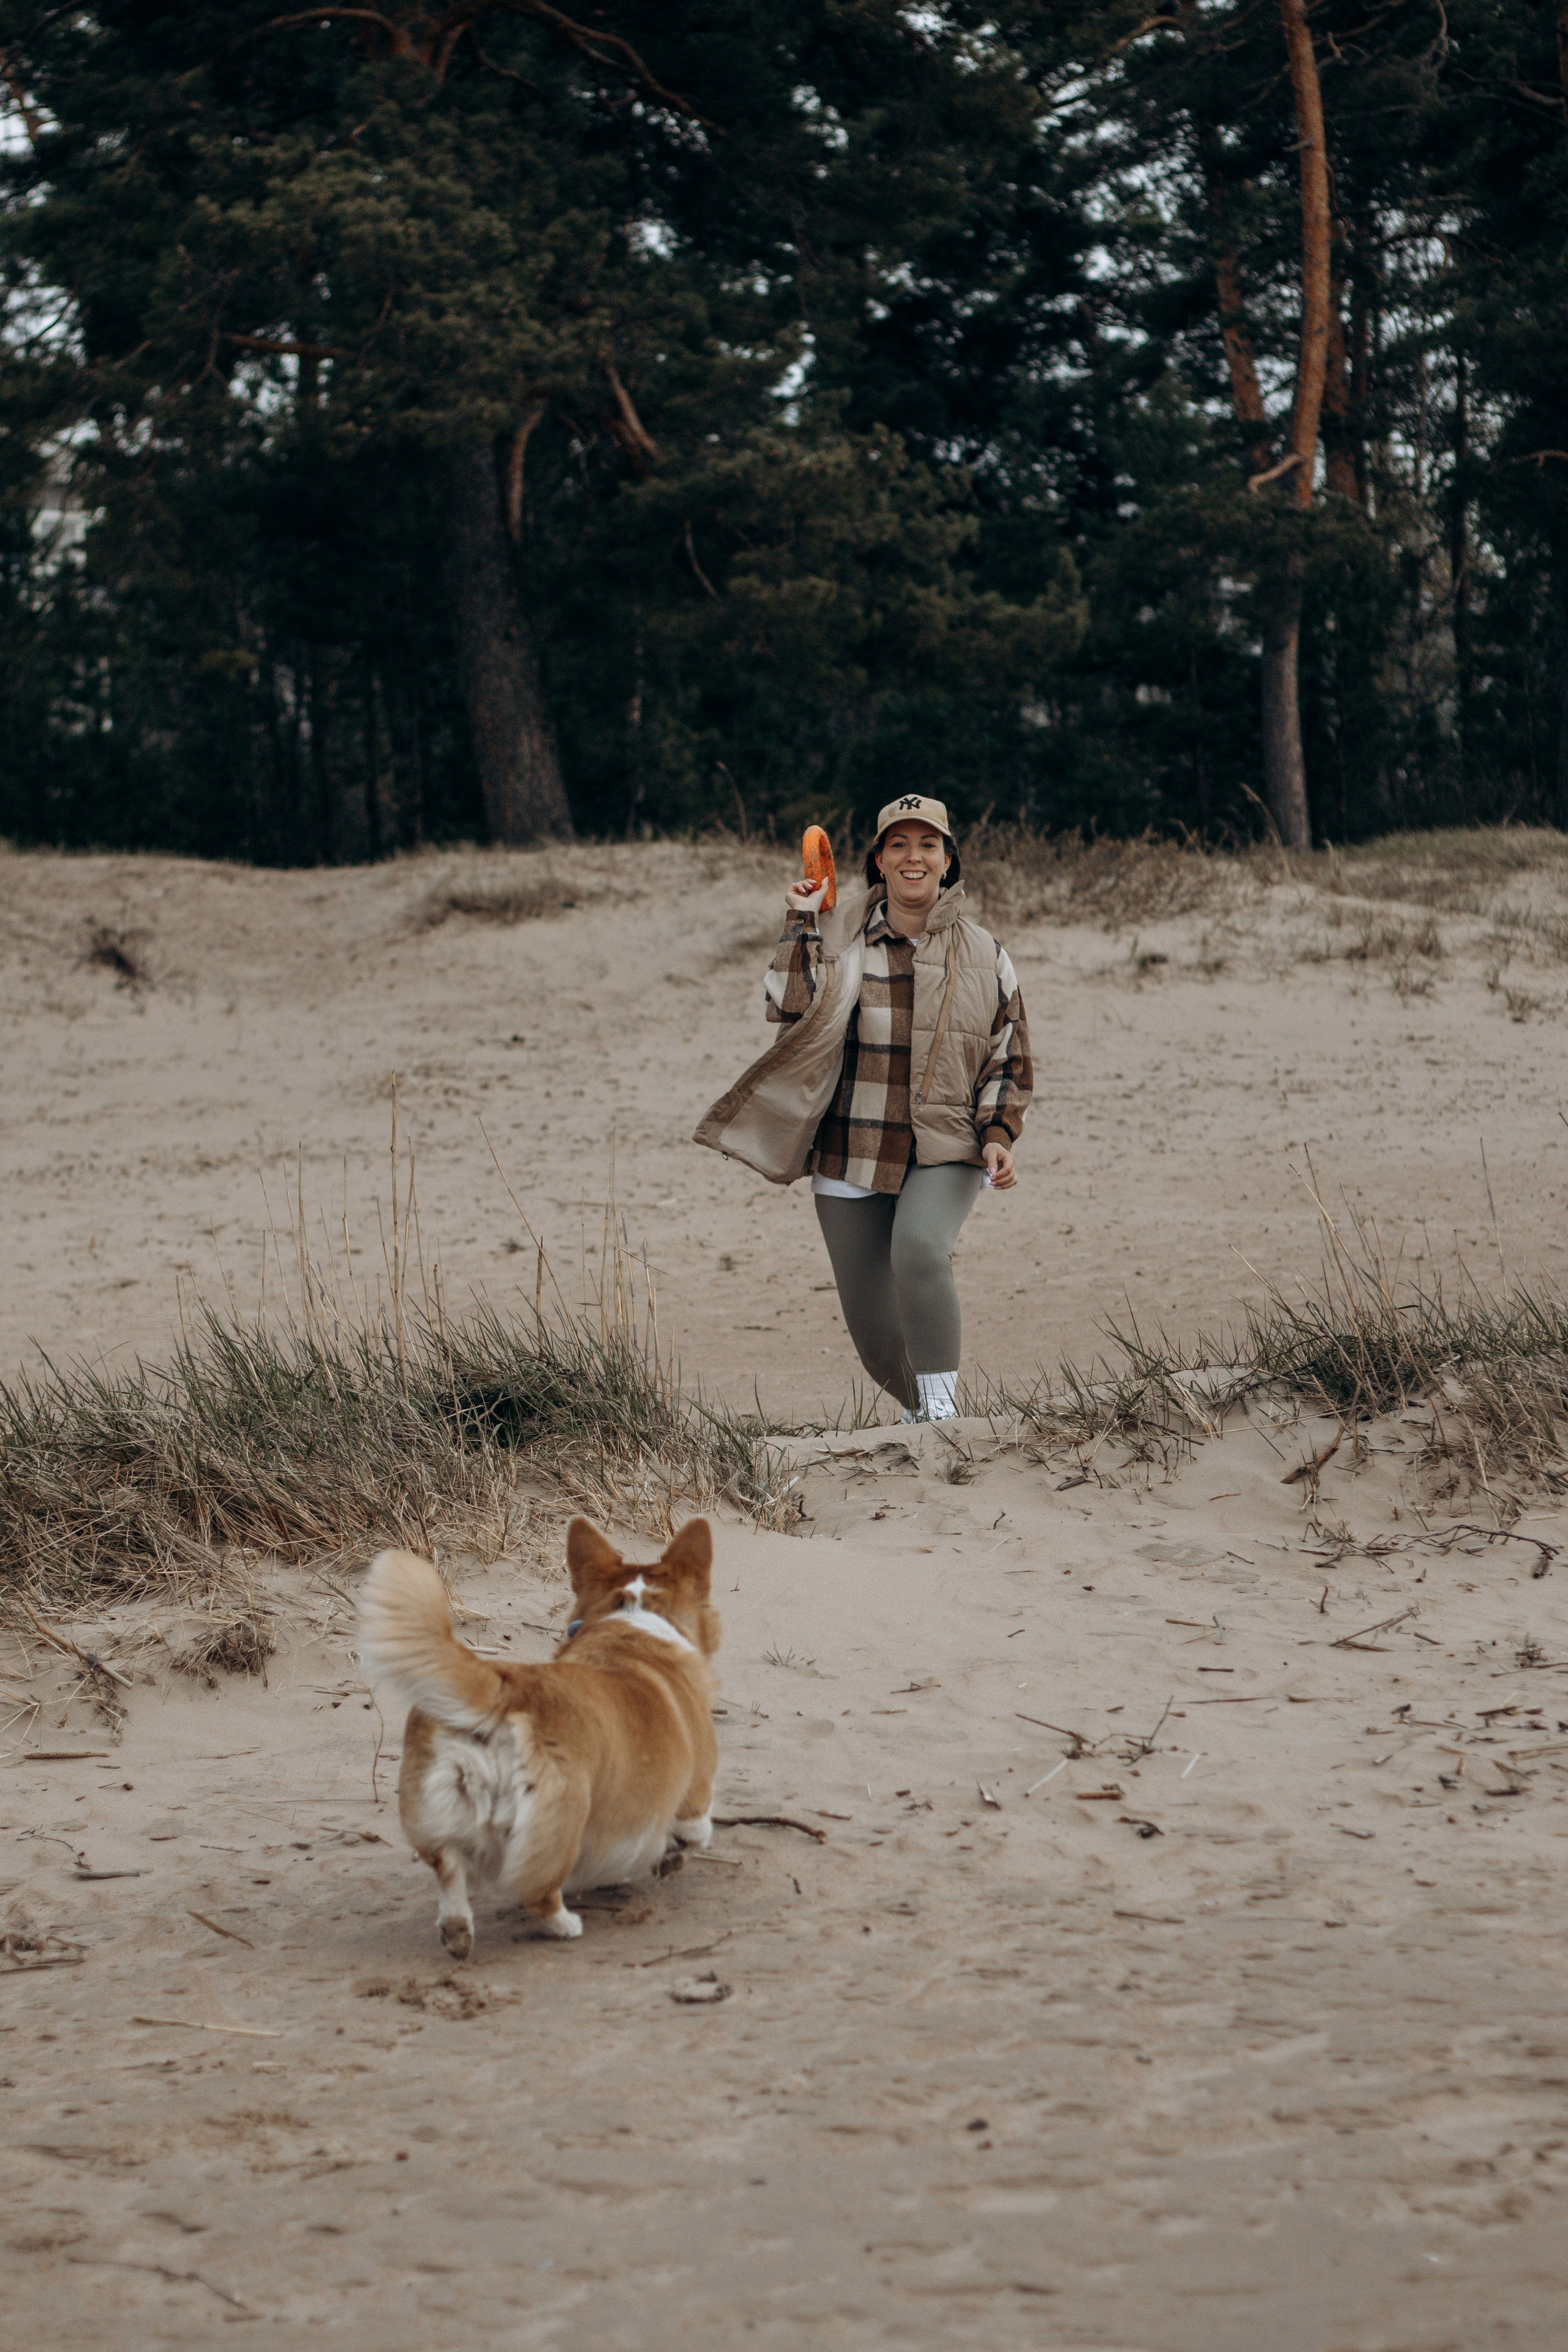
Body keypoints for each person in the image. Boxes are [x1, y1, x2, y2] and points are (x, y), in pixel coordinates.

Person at [695, 794, 1031, 1421]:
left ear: (948, 860)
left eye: (927, 845)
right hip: (850, 1146)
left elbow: (1007, 1055)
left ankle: (941, 1424)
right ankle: (922, 1416)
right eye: (897, 845)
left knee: (920, 1250)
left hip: (947, 1144)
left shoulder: (986, 953)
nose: (913, 857)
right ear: (878, 860)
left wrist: (997, 1133)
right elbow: (790, 1009)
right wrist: (800, 922)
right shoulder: (836, 933)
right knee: (876, 1342)